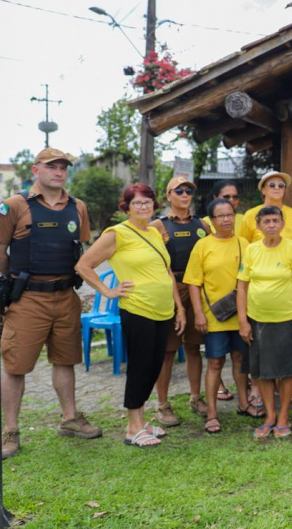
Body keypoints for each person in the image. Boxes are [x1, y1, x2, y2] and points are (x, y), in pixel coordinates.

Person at [0, 148, 102, 458]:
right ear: (35, 170)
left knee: (65, 360)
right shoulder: (14, 206)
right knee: (16, 366)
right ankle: (11, 431)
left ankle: (70, 419)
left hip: (66, 296)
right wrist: (4, 293)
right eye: (51, 166)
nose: (58, 171)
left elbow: (81, 248)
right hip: (27, 299)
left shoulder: (77, 207)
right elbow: (0, 249)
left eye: (63, 167)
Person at [76, 184, 186, 448]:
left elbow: (167, 272)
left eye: (148, 202)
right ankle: (132, 427)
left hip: (163, 311)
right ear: (126, 206)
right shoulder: (117, 234)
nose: (143, 207)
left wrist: (179, 308)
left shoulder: (155, 231)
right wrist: (107, 290)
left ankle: (142, 420)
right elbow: (83, 265)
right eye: (137, 203)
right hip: (138, 309)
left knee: (153, 366)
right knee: (139, 368)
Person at [236, 206, 292, 439]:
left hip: (285, 319)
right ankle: (270, 416)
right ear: (258, 226)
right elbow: (242, 286)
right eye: (266, 221)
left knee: (285, 371)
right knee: (262, 371)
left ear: (283, 224)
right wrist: (243, 321)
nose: (271, 225)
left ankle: (284, 416)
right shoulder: (252, 250)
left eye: (275, 220)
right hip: (257, 320)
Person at [183, 198, 253, 433]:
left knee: (240, 360)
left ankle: (244, 403)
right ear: (211, 221)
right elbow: (193, 283)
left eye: (229, 215)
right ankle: (212, 412)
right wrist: (199, 314)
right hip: (213, 316)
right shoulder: (202, 246)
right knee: (215, 362)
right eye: (220, 216)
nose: (225, 219)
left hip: (241, 314)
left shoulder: (244, 243)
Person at [150, 177, 212, 427]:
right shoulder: (158, 225)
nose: (185, 194)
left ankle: (196, 397)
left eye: (188, 191)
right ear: (169, 196)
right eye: (179, 191)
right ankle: (162, 404)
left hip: (197, 289)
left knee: (195, 348)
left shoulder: (203, 225)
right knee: (167, 351)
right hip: (171, 289)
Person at [240, 171, 292, 253]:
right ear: (263, 190)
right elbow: (242, 247)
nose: (277, 188)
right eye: (272, 185)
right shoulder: (250, 215)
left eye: (281, 185)